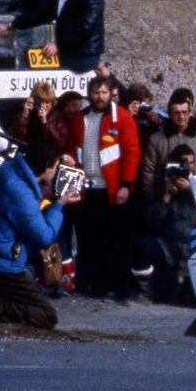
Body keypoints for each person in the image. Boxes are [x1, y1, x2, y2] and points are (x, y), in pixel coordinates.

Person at [63, 75, 141, 298]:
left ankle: (117, 287)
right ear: (89, 94)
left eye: (104, 92)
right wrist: (68, 162)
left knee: (116, 241)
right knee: (89, 240)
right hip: (87, 189)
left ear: (111, 94)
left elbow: (132, 154)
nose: (100, 97)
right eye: (96, 92)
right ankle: (92, 285)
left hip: (114, 190)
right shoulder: (80, 118)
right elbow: (71, 149)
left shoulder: (123, 118)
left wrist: (125, 185)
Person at [0, 137, 81, 329]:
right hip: (6, 266)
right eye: (56, 166)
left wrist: (58, 159)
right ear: (46, 165)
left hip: (7, 254)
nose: (57, 170)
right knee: (46, 316)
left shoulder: (12, 169)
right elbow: (43, 237)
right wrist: (60, 204)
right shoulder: (21, 195)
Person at [136, 144, 196, 305]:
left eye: (191, 163)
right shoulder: (165, 182)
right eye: (184, 162)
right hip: (168, 246)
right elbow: (152, 221)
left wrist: (191, 189)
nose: (188, 166)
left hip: (193, 245)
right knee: (143, 246)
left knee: (189, 301)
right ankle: (145, 292)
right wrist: (167, 196)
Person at [141, 90, 196, 200]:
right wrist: (152, 199)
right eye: (177, 113)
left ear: (190, 113)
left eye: (184, 112)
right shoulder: (156, 139)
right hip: (165, 198)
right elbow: (148, 172)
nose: (181, 116)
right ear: (170, 113)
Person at [41, 0, 104, 73]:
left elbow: (83, 30)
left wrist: (58, 45)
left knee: (51, 73)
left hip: (84, 55)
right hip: (70, 51)